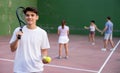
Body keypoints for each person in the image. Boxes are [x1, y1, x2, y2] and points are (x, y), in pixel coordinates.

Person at [9, 7, 50, 73]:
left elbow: (44, 50)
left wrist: (44, 58)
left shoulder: (42, 33)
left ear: (37, 17)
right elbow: (12, 49)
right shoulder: (18, 30)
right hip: (20, 69)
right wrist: (17, 39)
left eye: (32, 15)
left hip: (36, 69)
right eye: (27, 15)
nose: (30, 17)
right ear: (25, 17)